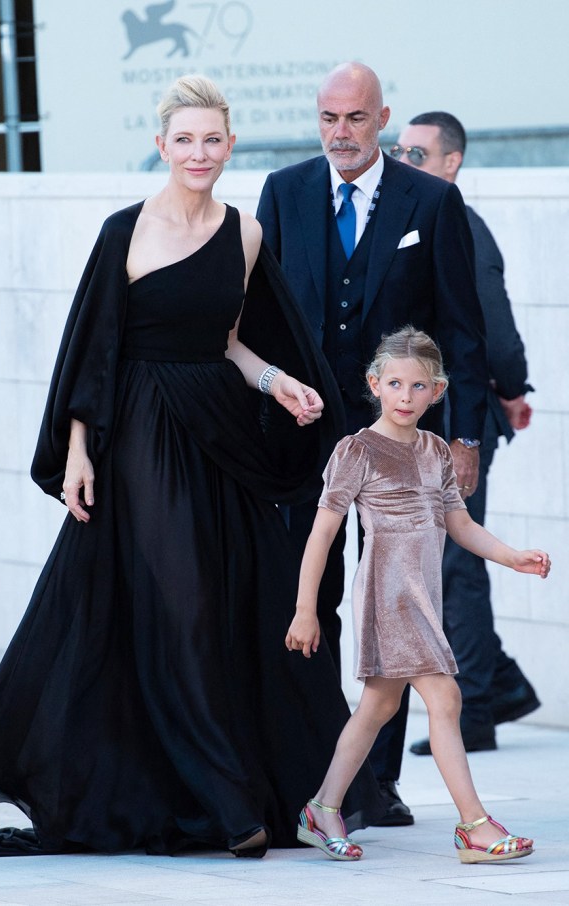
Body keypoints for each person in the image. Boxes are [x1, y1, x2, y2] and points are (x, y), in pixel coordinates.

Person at [0, 75, 384, 860]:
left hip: (218, 433)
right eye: (184, 140)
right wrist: (76, 454)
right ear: (162, 145)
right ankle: (229, 804)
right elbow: (90, 353)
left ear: (230, 146)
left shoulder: (244, 233)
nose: (198, 153)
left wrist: (280, 382)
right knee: (182, 608)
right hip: (139, 435)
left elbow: (229, 341)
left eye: (212, 140)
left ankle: (261, 787)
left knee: (245, 605)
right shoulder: (122, 231)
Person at [256, 61, 489, 826]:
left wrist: (463, 437)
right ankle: (316, 773)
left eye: (355, 118)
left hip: (404, 445)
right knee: (307, 599)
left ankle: (377, 787)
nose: (341, 134)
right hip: (303, 439)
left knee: (397, 604)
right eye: (328, 118)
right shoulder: (284, 193)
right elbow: (259, 323)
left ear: (382, 118)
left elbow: (462, 324)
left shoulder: (433, 201)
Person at [286, 326, 550, 864]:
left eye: (419, 386)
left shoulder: (435, 451)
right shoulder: (356, 451)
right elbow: (322, 534)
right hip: (388, 595)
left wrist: (511, 555)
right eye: (395, 384)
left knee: (379, 705)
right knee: (446, 697)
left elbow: (459, 523)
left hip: (422, 594)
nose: (406, 397)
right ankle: (474, 826)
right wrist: (305, 609)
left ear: (439, 390)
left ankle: (322, 808)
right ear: (374, 384)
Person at [390, 112, 540, 756]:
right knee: (445, 563)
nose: (407, 163)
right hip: (429, 417)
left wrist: (512, 388)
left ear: (453, 163)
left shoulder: (459, 223)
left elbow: (491, 327)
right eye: (401, 153)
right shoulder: (413, 218)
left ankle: (476, 707)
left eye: (419, 154)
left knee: (457, 564)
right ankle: (499, 684)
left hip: (461, 422)